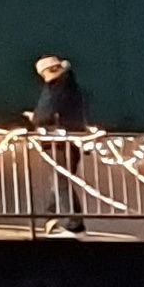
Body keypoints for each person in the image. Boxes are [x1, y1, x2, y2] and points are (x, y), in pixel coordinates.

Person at [29, 53, 91, 231]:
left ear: (49, 71)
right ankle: (51, 215)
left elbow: (45, 114)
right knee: (60, 180)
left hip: (57, 141)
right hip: (71, 140)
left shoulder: (56, 88)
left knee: (61, 181)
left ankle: (74, 224)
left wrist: (35, 118)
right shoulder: (73, 87)